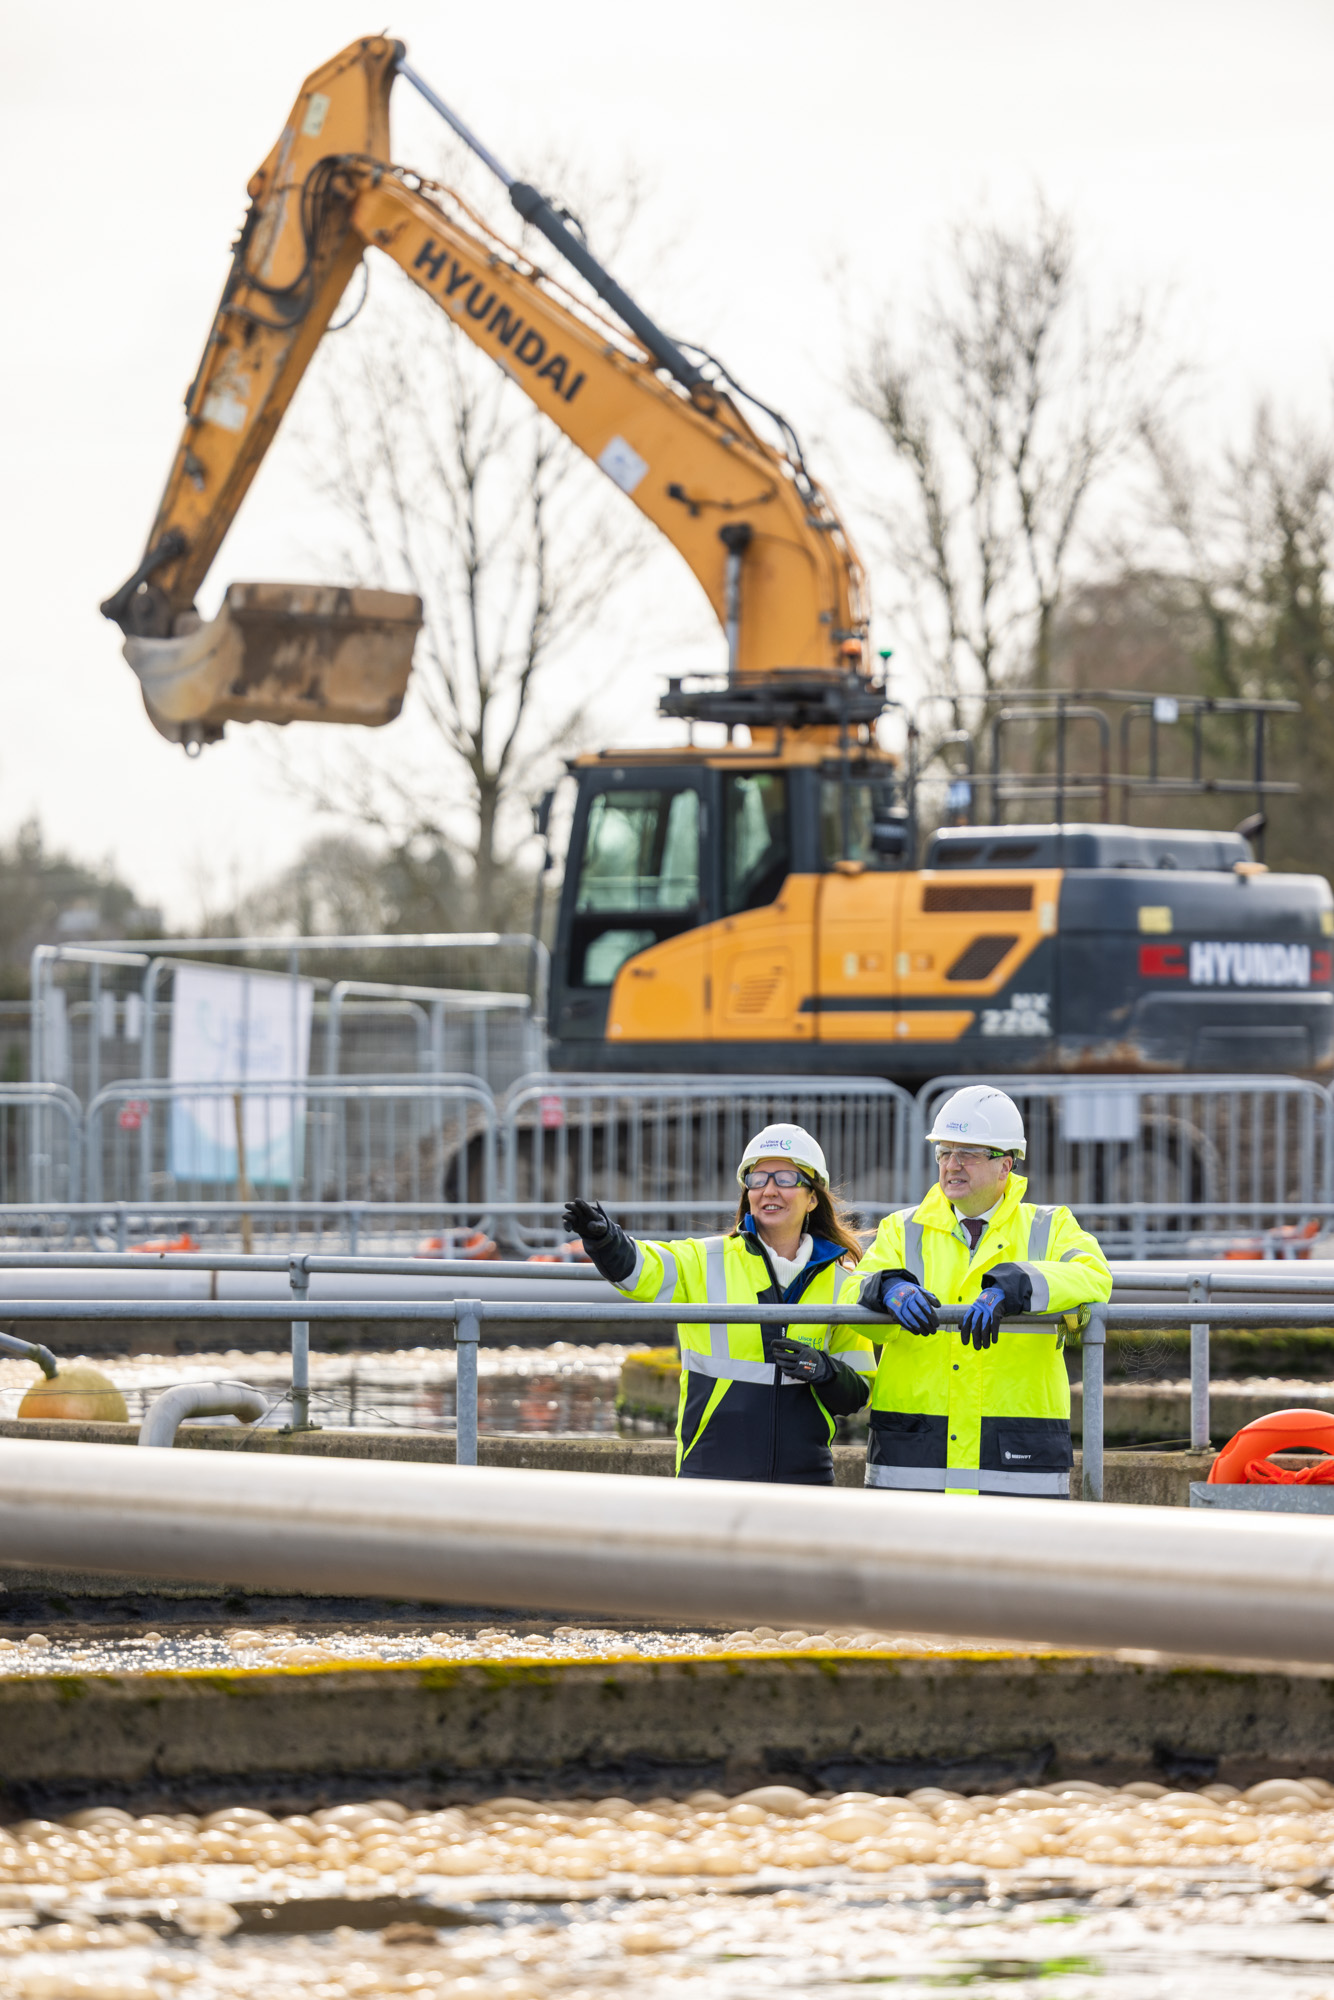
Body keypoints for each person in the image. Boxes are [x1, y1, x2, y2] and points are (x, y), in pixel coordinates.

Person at [562, 1124, 875, 1483]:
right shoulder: (706, 1259)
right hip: (711, 1475)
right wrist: (606, 1241)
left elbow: (858, 1393)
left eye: (786, 1178)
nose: (769, 1190)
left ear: (813, 1197)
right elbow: (641, 1269)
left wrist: (824, 1371)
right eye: (758, 1179)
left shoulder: (842, 1281)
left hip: (805, 1480)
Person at [848, 1085, 1111, 1499]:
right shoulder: (902, 1228)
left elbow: (1094, 1276)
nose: (951, 1165)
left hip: (1018, 1450)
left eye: (967, 1154)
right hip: (914, 1450)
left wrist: (1016, 1286)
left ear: (1005, 1166)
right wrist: (887, 1288)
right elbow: (852, 1288)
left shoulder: (1049, 1225)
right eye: (944, 1152)